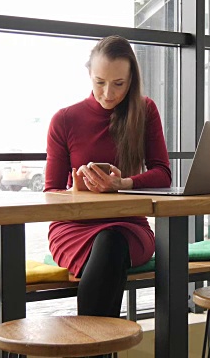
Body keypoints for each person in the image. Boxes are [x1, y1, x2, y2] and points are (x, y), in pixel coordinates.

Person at [44, 35, 172, 321]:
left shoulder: (145, 110)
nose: (108, 93)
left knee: (111, 242)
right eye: (100, 82)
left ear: (131, 80)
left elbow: (163, 174)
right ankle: (98, 348)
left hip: (128, 225)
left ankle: (91, 347)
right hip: (73, 227)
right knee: (107, 247)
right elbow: (51, 191)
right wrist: (77, 189)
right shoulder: (64, 119)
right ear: (89, 74)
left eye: (119, 84)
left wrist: (123, 184)